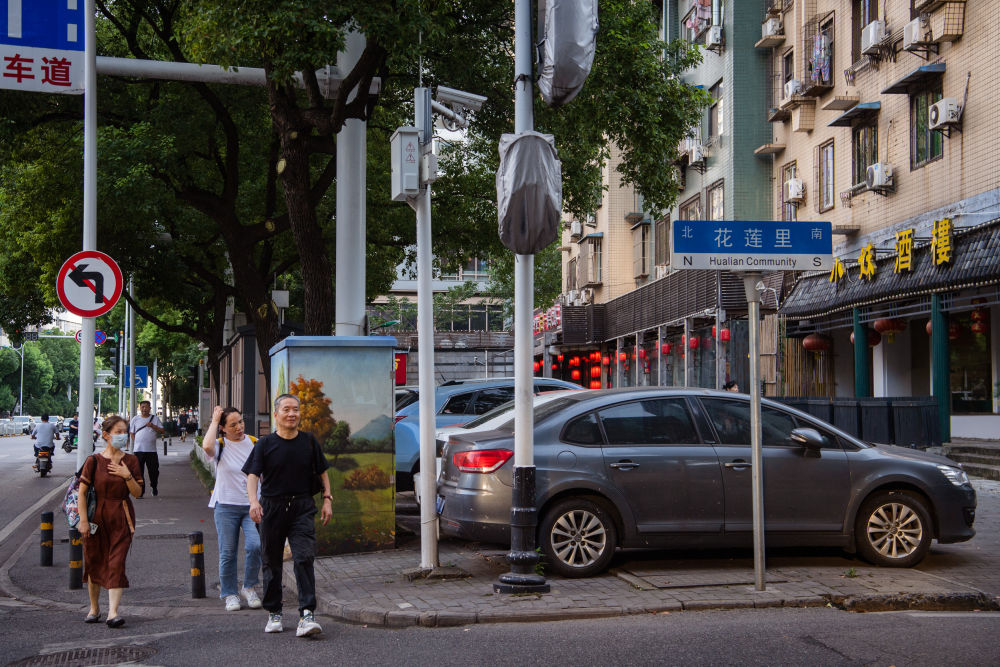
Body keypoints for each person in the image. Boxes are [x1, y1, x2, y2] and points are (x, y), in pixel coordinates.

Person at [243, 393, 332, 637]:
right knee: (271, 561)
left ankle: (307, 615)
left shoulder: (309, 441)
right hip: (272, 507)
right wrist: (253, 502)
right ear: (276, 414)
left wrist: (327, 499)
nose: (292, 414)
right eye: (286, 409)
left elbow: (323, 471)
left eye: (295, 409)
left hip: (302, 506)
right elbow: (252, 475)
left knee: (304, 557)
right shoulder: (265, 444)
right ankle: (275, 613)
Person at [78, 416, 143, 628]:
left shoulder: (131, 461)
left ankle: (113, 613)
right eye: (118, 431)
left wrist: (127, 476)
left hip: (121, 516)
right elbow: (82, 493)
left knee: (116, 562)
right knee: (94, 561)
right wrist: (84, 521)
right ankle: (94, 608)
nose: (123, 436)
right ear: (106, 435)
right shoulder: (93, 461)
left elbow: (138, 493)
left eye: (125, 431)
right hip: (96, 517)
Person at [203, 406, 262, 612]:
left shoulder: (255, 443)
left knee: (255, 546)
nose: (239, 427)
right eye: (233, 425)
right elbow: (207, 447)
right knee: (228, 552)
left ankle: (249, 587)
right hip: (226, 505)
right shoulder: (220, 444)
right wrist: (213, 421)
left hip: (251, 505)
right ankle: (229, 593)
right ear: (223, 428)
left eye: (241, 422)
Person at [129, 401, 165, 497]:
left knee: (153, 471)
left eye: (146, 407)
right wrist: (136, 441)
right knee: (139, 472)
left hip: (151, 451)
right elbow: (131, 432)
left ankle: (154, 486)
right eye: (142, 407)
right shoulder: (135, 419)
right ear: (139, 408)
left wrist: (152, 426)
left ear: (150, 408)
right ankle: (141, 491)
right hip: (138, 450)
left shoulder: (155, 419)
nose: (144, 409)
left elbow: (162, 430)